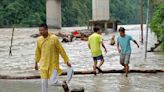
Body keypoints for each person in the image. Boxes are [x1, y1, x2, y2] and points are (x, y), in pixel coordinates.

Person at [35, 23, 72, 92]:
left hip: (53, 65)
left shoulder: (54, 38)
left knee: (53, 82)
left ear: (47, 29)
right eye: (39, 30)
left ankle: (63, 84)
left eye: (42, 30)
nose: (41, 32)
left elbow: (61, 50)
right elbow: (37, 52)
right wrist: (36, 63)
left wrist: (66, 61)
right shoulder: (39, 40)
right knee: (43, 84)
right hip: (43, 65)